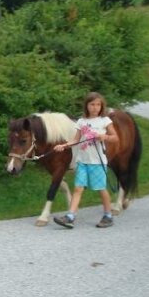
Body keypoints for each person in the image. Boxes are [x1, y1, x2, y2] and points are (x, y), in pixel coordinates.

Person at [53, 92, 119, 229]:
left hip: (97, 162)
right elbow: (76, 140)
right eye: (92, 104)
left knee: (100, 188)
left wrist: (104, 137)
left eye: (98, 104)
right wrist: (63, 146)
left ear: (102, 106)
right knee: (78, 188)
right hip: (82, 161)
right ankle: (70, 216)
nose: (95, 107)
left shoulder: (104, 121)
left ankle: (108, 215)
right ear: (86, 106)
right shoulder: (81, 122)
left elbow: (115, 137)